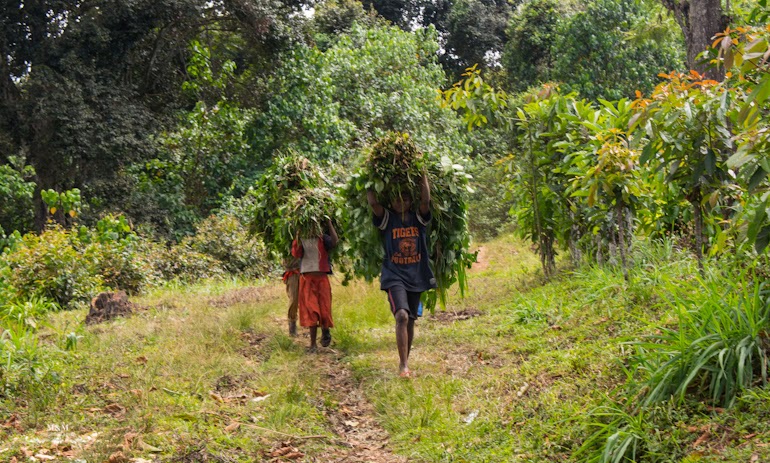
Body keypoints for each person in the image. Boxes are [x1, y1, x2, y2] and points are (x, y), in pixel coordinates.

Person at [367, 174, 436, 377]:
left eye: (405, 199)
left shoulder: (418, 218)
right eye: (397, 200)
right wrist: (368, 178)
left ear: (410, 201)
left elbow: (426, 201)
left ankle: (405, 359)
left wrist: (423, 177)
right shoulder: (388, 219)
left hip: (416, 275)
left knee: (411, 319)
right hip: (394, 275)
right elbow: (373, 203)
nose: (401, 203)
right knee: (402, 316)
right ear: (391, 203)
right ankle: (403, 365)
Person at [291, 219, 339, 352]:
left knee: (324, 308)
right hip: (307, 279)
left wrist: (329, 223)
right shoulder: (301, 239)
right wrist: (297, 235)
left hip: (322, 279)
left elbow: (335, 242)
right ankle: (312, 344)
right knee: (311, 310)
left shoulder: (323, 239)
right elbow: (296, 253)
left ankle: (325, 330)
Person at [282, 256, 300, 337]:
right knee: (294, 299)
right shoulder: (287, 252)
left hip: (307, 270)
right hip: (293, 273)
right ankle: (292, 324)